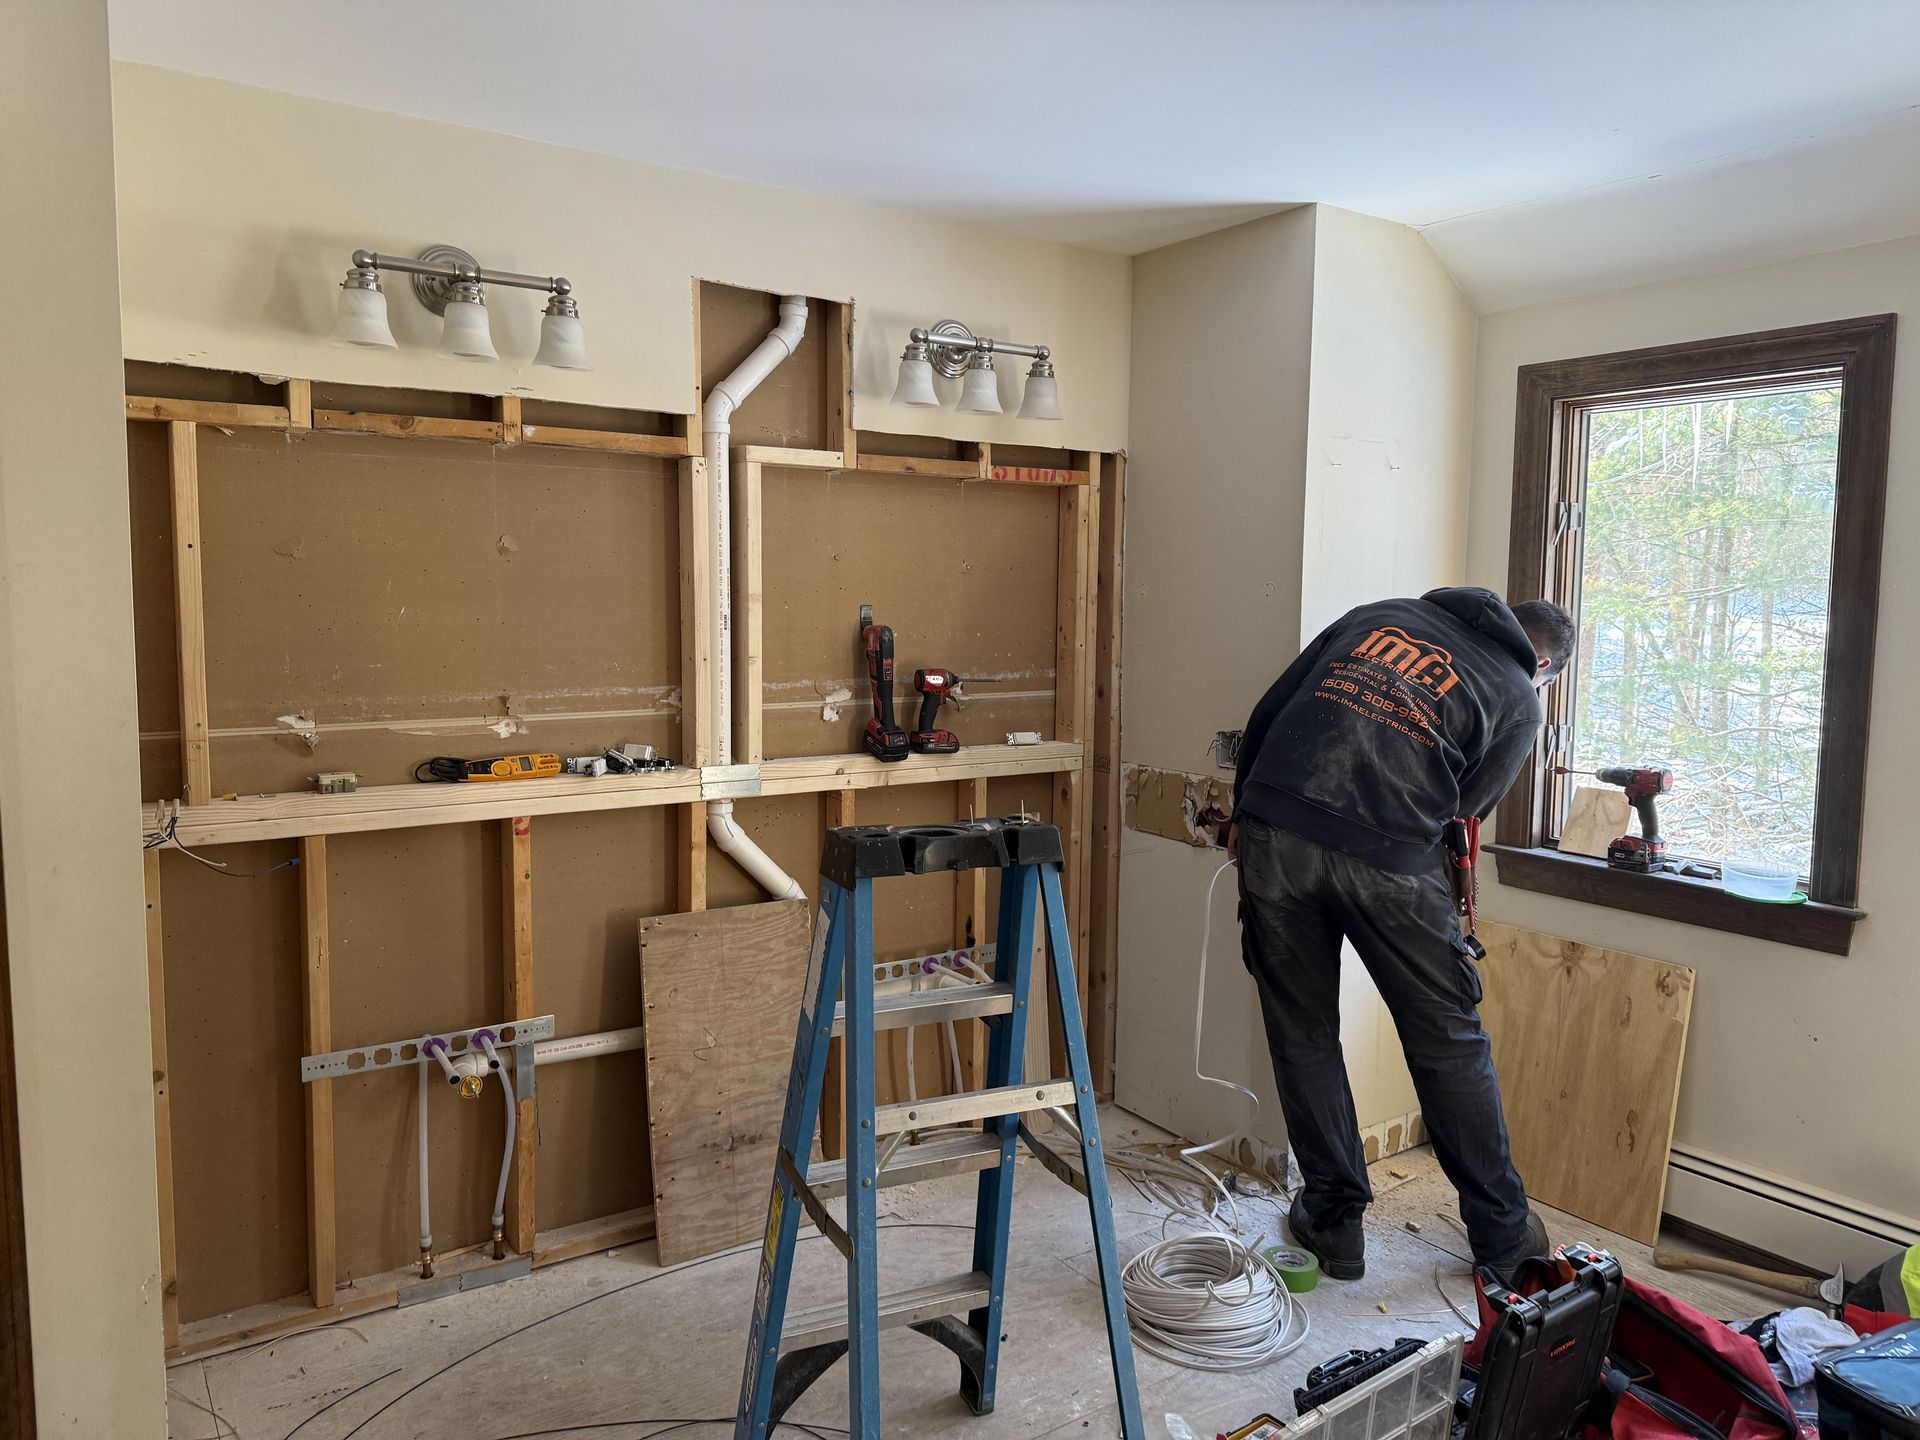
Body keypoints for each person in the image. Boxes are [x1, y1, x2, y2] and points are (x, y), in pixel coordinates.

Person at [1223, 586, 1575, 1281]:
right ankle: (1505, 1238)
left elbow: (1270, 711)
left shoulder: (1379, 616)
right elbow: (1467, 806)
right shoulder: (1519, 696)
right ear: (1542, 663)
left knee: (1302, 1029)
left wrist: (1244, 811)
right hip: (1389, 858)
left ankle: (1333, 1221)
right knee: (1448, 1040)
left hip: (1276, 826)